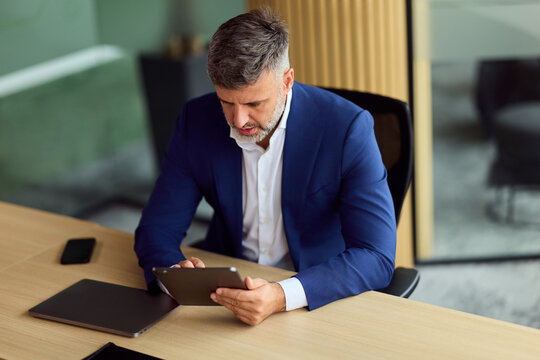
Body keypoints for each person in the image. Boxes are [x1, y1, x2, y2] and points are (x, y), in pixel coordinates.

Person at [135, 8, 396, 326]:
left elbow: (376, 254)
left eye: (254, 104)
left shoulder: (347, 128)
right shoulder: (196, 120)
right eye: (226, 102)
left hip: (314, 292)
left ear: (287, 81)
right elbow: (156, 229)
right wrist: (172, 274)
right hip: (223, 294)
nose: (239, 120)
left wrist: (283, 295)